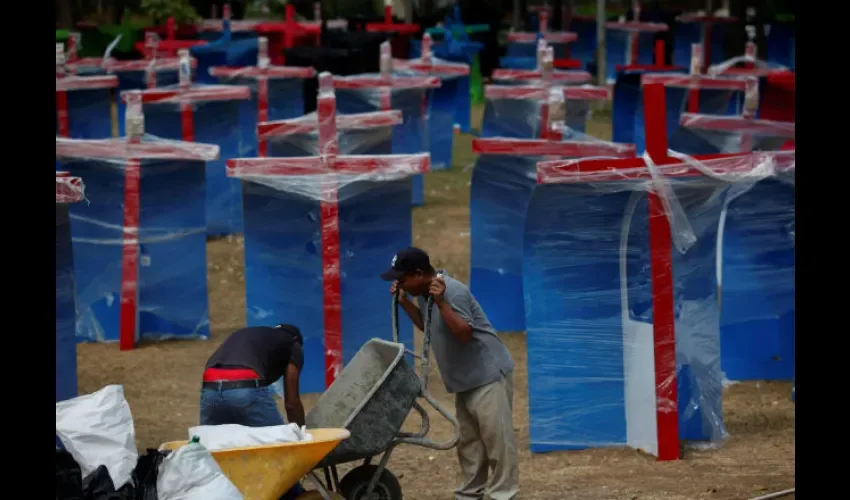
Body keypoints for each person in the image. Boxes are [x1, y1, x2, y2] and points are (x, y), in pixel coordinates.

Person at [380, 247, 519, 500]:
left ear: (420, 273)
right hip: (464, 379)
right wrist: (405, 303)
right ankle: (469, 494)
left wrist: (442, 302)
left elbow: (464, 333)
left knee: (497, 442)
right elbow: (429, 325)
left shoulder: (451, 291)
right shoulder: (424, 293)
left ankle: (503, 495)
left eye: (402, 279)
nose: (399, 283)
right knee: (470, 444)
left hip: (487, 374)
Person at [200, 324, 307, 500]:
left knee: (214, 456)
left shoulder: (251, 335)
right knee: (280, 452)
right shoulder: (292, 344)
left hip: (210, 388)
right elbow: (292, 402)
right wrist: (301, 435)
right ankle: (292, 496)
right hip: (246, 387)